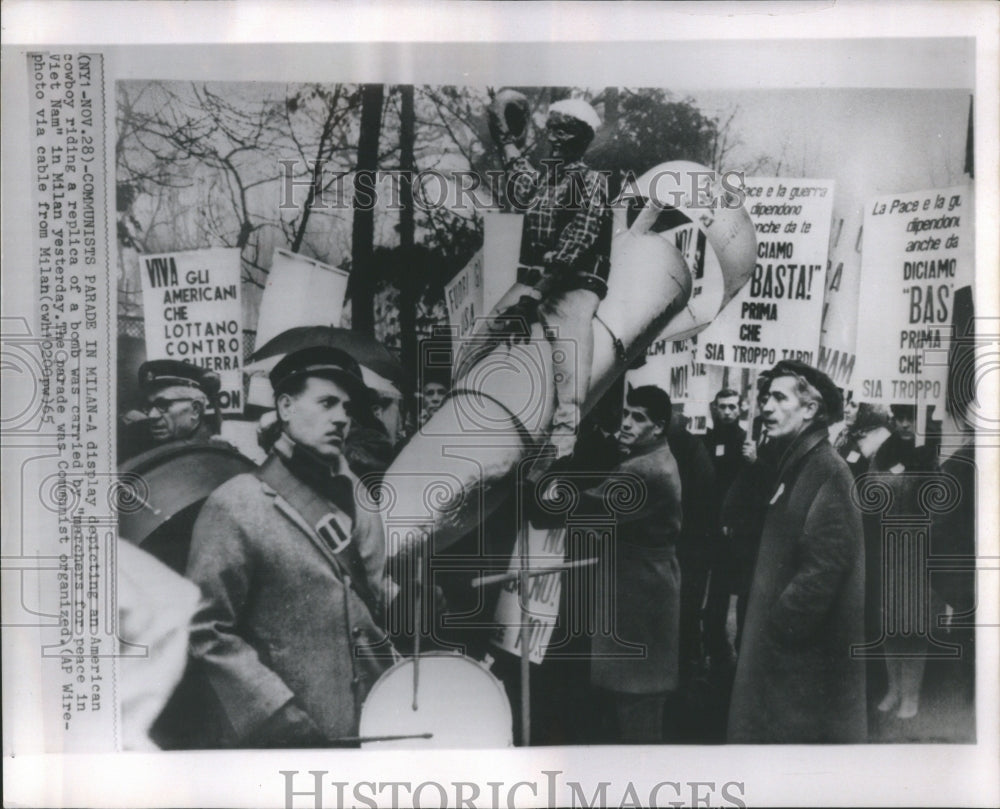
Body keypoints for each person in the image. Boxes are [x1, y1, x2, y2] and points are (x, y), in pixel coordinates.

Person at [184, 346, 397, 747]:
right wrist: (281, 720)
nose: (341, 418)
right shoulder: (237, 503)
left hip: (372, 730)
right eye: (327, 402)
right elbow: (205, 632)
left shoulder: (357, 499)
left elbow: (367, 605)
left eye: (347, 409)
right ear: (285, 406)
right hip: (284, 742)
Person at [728, 360, 867, 743]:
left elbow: (823, 569)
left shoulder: (828, 470)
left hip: (796, 667)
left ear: (810, 409)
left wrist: (777, 628)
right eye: (765, 398)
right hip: (782, 661)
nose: (766, 408)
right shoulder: (798, 462)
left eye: (778, 397)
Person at [479, 95, 614, 459]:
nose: (553, 139)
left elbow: (578, 241)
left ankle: (561, 448)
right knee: (482, 335)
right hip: (537, 283)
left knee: (569, 361)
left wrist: (534, 296)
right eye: (551, 129)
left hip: (575, 285)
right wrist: (505, 138)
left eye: (563, 132)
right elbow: (521, 182)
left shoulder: (592, 182)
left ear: (581, 139)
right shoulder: (546, 181)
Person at [569, 385, 683, 743]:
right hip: (640, 584)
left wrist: (540, 483)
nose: (628, 423)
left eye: (639, 417)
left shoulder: (646, 469)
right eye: (626, 413)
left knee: (638, 701)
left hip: (638, 591)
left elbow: (587, 506)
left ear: (659, 426)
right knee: (633, 696)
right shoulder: (651, 456)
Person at [852, 403, 939, 723]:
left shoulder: (933, 451)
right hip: (887, 546)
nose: (904, 424)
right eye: (899, 417)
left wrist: (907, 474)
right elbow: (869, 490)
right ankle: (894, 687)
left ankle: (911, 692)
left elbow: (934, 500)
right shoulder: (885, 449)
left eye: (910, 418)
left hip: (918, 550)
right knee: (890, 621)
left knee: (912, 624)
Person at [701, 388, 750, 671]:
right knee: (710, 591)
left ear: (740, 409)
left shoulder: (745, 442)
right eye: (723, 406)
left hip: (732, 528)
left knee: (728, 589)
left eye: (732, 407)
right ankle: (710, 644)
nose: (728, 412)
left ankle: (726, 650)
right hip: (708, 523)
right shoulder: (707, 440)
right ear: (715, 408)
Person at [119, 359, 222, 460]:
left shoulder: (214, 456)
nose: (151, 415)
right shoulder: (139, 442)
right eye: (149, 406)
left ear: (195, 409)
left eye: (163, 404)